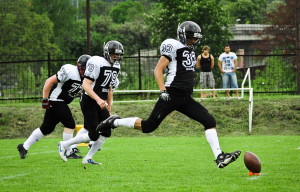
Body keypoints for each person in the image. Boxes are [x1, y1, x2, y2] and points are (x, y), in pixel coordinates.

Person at [97, 21, 241, 168]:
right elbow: (158, 69)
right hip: (172, 94)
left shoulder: (190, 51)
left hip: (185, 97)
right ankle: (114, 122)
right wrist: (162, 90)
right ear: (183, 35)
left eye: (195, 38)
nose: (193, 41)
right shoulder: (173, 45)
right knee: (148, 127)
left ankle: (219, 156)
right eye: (191, 37)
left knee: (209, 121)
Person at [57, 40, 123, 164]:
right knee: (93, 134)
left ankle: (88, 158)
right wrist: (98, 99)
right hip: (89, 100)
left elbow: (109, 88)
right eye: (114, 54)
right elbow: (85, 85)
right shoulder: (97, 61)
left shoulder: (116, 66)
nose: (116, 56)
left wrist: (109, 104)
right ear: (107, 52)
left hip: (101, 101)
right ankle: (64, 144)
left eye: (118, 54)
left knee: (107, 132)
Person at [17, 54, 91, 159]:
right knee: (69, 124)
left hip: (61, 101)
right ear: (79, 66)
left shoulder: (88, 78)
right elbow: (49, 81)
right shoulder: (70, 71)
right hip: (55, 99)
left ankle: (24, 146)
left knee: (46, 128)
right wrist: (45, 99)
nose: (85, 71)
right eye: (84, 68)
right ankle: (68, 152)